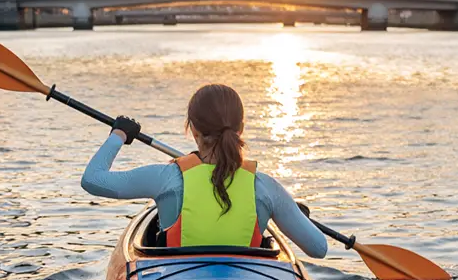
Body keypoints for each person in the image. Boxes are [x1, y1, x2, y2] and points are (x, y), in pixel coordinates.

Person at [81, 85, 329, 258]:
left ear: (193, 130)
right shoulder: (264, 187)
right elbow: (319, 248)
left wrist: (118, 135)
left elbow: (92, 180)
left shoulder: (167, 178)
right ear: (241, 128)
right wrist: (293, 213)